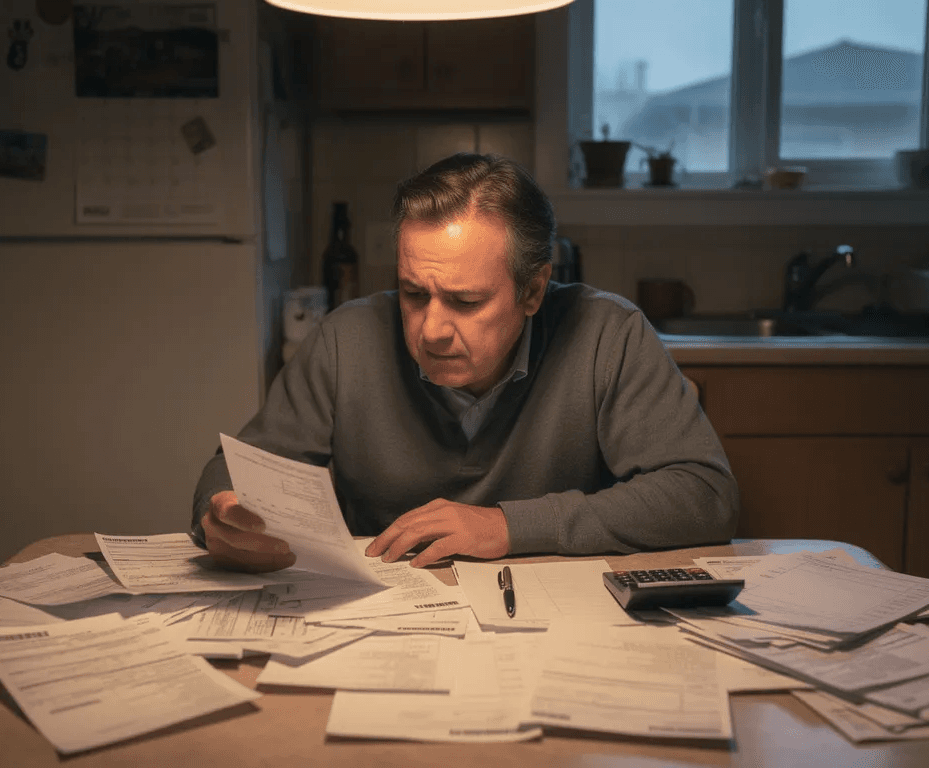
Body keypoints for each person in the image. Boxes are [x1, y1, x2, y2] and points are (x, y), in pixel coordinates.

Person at [192, 153, 738, 572]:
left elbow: (703, 495)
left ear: (533, 290)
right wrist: (224, 510)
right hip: (382, 623)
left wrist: (509, 526)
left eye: (466, 301)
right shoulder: (345, 338)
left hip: (557, 626)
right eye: (412, 293)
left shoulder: (608, 335)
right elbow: (232, 471)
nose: (430, 329)